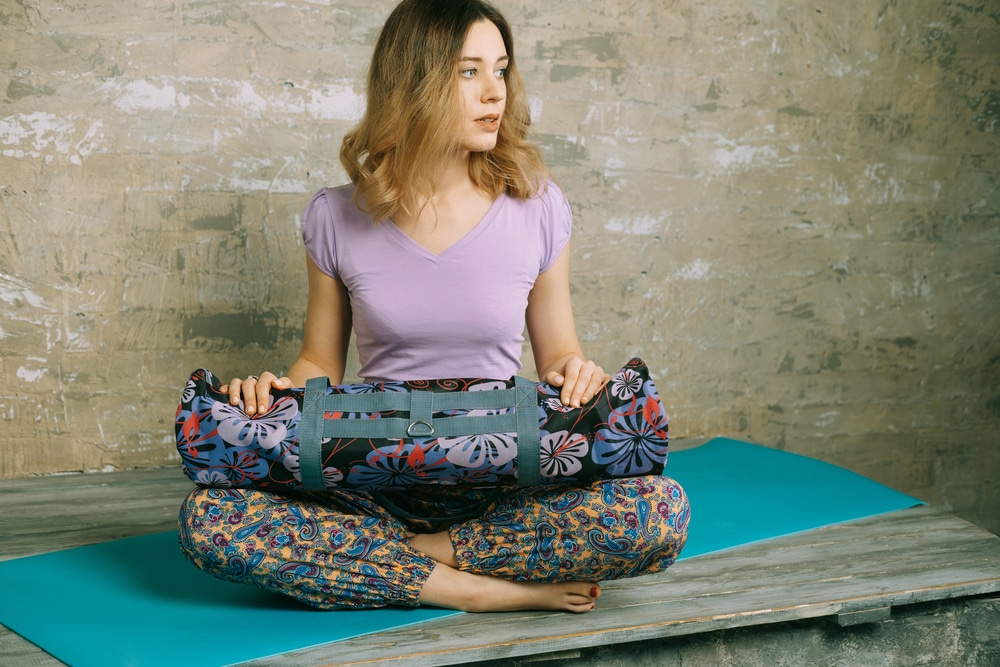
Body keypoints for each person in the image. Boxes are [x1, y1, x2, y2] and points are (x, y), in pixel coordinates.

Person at [178, 0, 689, 613]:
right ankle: (472, 588)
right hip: (368, 474)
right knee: (208, 518)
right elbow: (321, 362)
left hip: (504, 475)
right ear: (413, 83)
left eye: (501, 70)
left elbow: (561, 357)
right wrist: (274, 395)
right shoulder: (335, 215)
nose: (494, 92)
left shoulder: (540, 207)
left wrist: (579, 373)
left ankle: (424, 554)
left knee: (660, 511)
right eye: (469, 72)